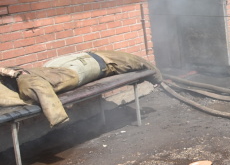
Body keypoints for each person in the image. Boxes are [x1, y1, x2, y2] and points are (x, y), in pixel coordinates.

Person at [0, 51, 162, 127]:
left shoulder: (24, 80)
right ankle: (158, 78)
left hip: (68, 65)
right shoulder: (28, 81)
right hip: (76, 66)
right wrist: (57, 117)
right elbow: (40, 89)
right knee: (134, 62)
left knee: (134, 63)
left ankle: (157, 78)